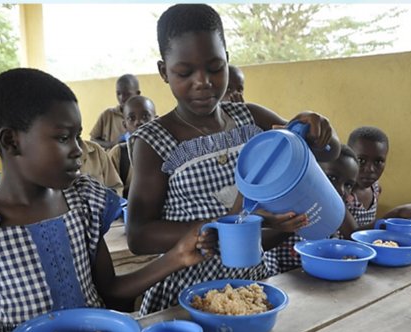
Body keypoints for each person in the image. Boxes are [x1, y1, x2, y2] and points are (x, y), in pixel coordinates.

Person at [0, 68, 214, 332]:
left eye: (78, 136)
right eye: (63, 138)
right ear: (12, 141)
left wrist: (177, 256)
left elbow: (110, 290)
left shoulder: (84, 201)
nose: (78, 150)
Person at [127, 4, 340, 315]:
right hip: (189, 292)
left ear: (227, 60)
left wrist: (321, 133)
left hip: (258, 283)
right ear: (164, 72)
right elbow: (138, 235)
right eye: (185, 72)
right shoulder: (153, 141)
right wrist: (219, 228)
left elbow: (328, 154)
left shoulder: (252, 119)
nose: (203, 82)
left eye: (215, 67)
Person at [347, 126, 411, 227]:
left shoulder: (375, 189)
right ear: (349, 157)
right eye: (361, 160)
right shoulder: (339, 193)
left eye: (378, 161)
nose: (370, 169)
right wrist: (396, 213)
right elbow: (352, 235)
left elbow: (369, 232)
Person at [108, 95, 156, 199]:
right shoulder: (119, 154)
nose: (138, 122)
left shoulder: (167, 151)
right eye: (131, 118)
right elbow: (111, 192)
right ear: (125, 125)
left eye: (145, 116)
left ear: (156, 120)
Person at [90, 74, 140, 150]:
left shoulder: (143, 116)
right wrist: (111, 144)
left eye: (127, 94)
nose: (122, 98)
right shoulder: (107, 115)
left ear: (137, 94)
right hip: (111, 160)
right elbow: (92, 141)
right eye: (118, 93)